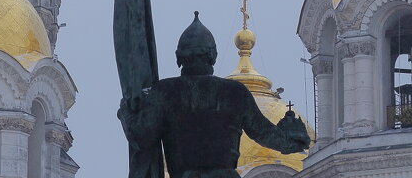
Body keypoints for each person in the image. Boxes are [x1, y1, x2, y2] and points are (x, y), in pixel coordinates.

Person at [119, 12, 311, 178]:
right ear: (213, 56)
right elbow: (265, 133)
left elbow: (141, 138)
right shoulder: (235, 93)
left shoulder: (164, 92)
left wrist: (126, 110)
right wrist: (294, 139)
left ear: (179, 57)